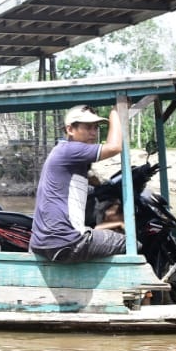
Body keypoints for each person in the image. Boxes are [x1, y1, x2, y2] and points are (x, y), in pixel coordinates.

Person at [30, 105, 127, 262]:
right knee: (131, 243)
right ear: (70, 130)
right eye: (88, 127)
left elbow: (90, 178)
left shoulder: (65, 153)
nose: (94, 133)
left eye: (96, 128)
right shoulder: (71, 150)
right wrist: (116, 111)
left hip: (47, 242)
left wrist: (97, 182)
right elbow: (115, 147)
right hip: (65, 241)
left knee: (104, 236)